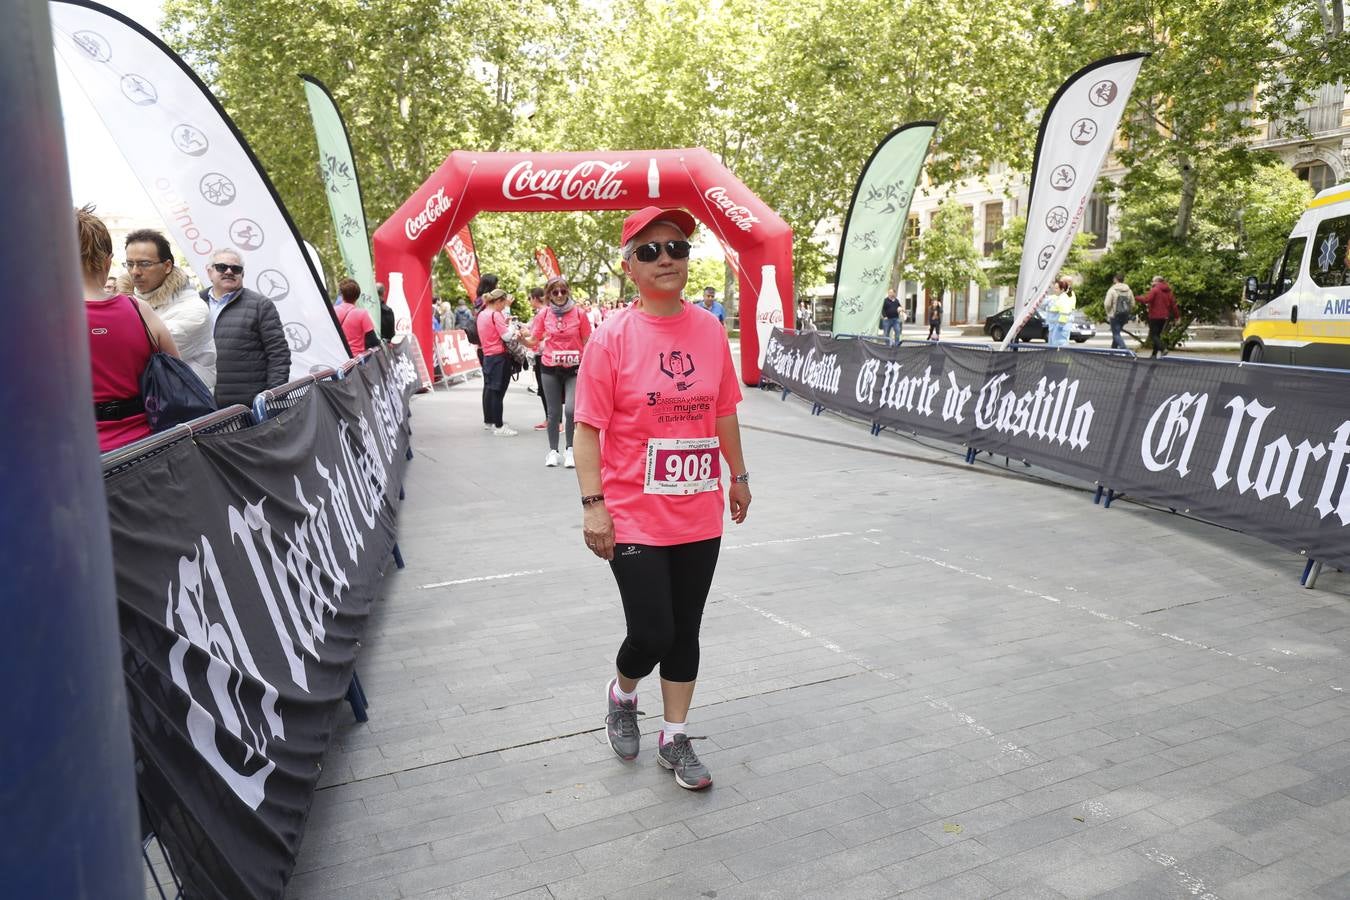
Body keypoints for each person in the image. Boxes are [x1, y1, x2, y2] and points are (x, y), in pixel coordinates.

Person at [574, 206, 751, 792]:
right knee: (653, 631)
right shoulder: (611, 338)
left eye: (675, 247)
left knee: (688, 629)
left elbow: (722, 409)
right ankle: (622, 694)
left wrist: (739, 475)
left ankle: (675, 737)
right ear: (630, 268)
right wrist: (593, 503)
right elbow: (587, 428)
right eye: (649, 251)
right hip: (634, 513)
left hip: (698, 508)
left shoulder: (706, 329)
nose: (666, 259)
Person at [77, 205, 180, 452]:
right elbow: (177, 372)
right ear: (108, 261)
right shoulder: (139, 309)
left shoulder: (38, 320)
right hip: (147, 448)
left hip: (76, 457)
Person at [120, 228, 216, 390]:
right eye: (130, 264)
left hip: (185, 406)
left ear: (167, 266)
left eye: (144, 264)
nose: (135, 272)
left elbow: (137, 353)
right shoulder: (130, 302)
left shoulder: (194, 310)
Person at [201, 248, 291, 407]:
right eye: (222, 267)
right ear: (209, 272)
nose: (229, 271)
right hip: (203, 406)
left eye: (236, 269)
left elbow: (279, 354)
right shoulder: (195, 304)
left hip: (247, 410)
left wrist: (272, 398)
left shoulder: (260, 305)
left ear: (242, 274)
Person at [521, 275, 592, 468]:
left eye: (563, 291)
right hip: (550, 367)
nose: (560, 295)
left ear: (568, 291)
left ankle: (570, 449)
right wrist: (522, 341)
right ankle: (553, 451)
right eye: (555, 292)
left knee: (571, 410)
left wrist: (588, 362)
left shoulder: (579, 314)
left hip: (574, 368)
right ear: (549, 295)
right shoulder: (544, 315)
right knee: (553, 413)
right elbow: (534, 340)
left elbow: (588, 341)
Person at [477, 287, 516, 435]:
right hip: (499, 357)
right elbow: (506, 336)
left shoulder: (482, 314)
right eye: (503, 303)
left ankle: (490, 421)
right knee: (498, 392)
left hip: (488, 356)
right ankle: (499, 426)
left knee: (490, 389)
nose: (504, 306)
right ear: (499, 301)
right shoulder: (496, 315)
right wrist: (511, 325)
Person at [335, 278, 379, 356]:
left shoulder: (333, 311)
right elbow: (373, 340)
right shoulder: (362, 313)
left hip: (338, 357)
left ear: (342, 295)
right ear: (358, 296)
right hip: (357, 359)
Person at [1138, 275, 1179, 359]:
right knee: (1157, 335)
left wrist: (1136, 297)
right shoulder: (1168, 292)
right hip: (1164, 317)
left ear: (1157, 281)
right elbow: (1173, 305)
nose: (1151, 283)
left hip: (1154, 316)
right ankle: (1154, 355)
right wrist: (1177, 317)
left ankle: (1163, 348)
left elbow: (1147, 300)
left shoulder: (1155, 290)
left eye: (1153, 281)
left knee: (1153, 335)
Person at [526, 286, 550, 430]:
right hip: (542, 352)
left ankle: (554, 421)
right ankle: (551, 419)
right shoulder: (543, 312)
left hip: (544, 353)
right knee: (545, 389)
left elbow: (540, 334)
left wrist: (528, 335)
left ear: (535, 298)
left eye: (530, 298)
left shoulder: (544, 313)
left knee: (547, 389)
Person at [1104, 273, 1134, 350]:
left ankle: (1124, 349)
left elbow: (1107, 304)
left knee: (1116, 334)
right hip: (1125, 315)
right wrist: (1128, 311)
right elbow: (1132, 304)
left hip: (1114, 314)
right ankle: (1113, 351)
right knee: (1117, 332)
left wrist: (1109, 312)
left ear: (1115, 280)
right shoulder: (1129, 290)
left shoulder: (1112, 290)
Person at [1047, 278, 1077, 348]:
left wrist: (1060, 325)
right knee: (1056, 346)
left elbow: (1065, 312)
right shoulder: (1065, 294)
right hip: (1058, 325)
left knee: (1059, 347)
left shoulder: (1066, 296)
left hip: (1060, 326)